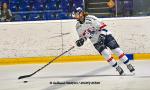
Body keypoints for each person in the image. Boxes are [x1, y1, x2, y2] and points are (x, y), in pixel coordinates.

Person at [72, 7, 135, 75]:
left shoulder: (91, 18)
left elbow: (103, 27)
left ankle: (129, 65)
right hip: (96, 41)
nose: (75, 15)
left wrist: (102, 37)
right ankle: (118, 68)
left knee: (117, 51)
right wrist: (81, 41)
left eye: (76, 13)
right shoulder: (78, 26)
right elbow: (83, 37)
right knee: (106, 55)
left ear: (81, 13)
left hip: (106, 35)